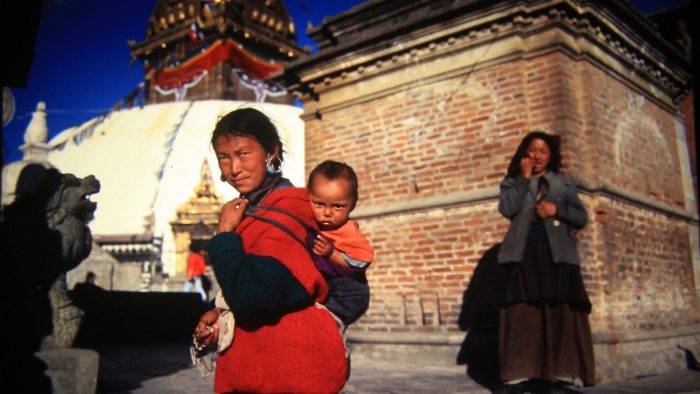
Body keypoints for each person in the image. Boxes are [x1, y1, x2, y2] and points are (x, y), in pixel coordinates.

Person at [193, 107, 348, 393]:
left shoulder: (292, 208)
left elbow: (254, 296)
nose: (234, 169)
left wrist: (225, 235)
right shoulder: (253, 210)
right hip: (256, 364)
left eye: (243, 153)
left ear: (271, 152)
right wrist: (221, 311)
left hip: (288, 366)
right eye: (224, 157)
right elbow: (251, 284)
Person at [495, 131, 595, 393]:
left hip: (558, 255)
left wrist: (557, 210)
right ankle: (519, 373)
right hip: (524, 252)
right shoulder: (512, 182)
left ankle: (562, 374)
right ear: (524, 153)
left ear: (551, 156)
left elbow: (581, 217)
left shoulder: (563, 184)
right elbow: (507, 209)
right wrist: (523, 179)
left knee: (560, 311)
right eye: (532, 150)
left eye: (543, 151)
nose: (536, 156)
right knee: (523, 312)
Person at [308, 160, 374, 326]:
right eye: (319, 204)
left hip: (349, 292)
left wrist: (332, 254)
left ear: (353, 203)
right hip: (325, 285)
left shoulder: (348, 231)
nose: (327, 213)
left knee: (324, 323)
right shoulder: (311, 224)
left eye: (337, 206)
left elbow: (361, 261)